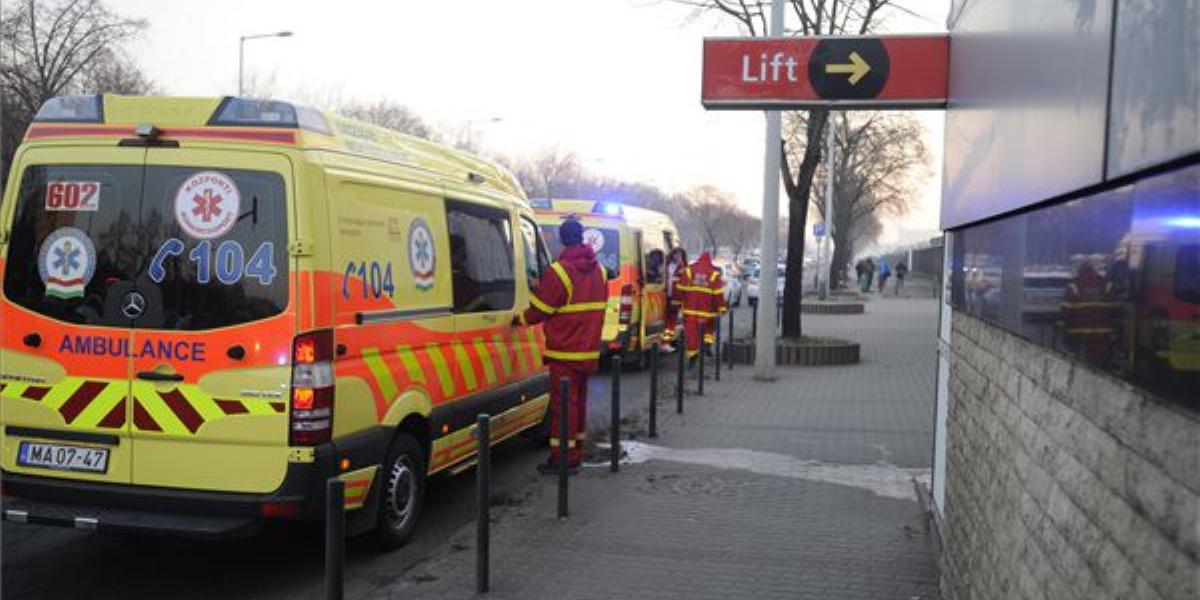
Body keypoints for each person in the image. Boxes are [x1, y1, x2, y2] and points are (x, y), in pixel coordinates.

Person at [515, 218, 608, 474]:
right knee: (578, 405)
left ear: (561, 238)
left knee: (563, 408)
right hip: (588, 351)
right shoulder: (599, 270)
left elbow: (540, 310)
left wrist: (518, 320)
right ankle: (575, 451)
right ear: (582, 238)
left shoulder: (559, 271)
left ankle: (561, 459)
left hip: (564, 352)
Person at [680, 251, 726, 360]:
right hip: (707, 310)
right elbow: (718, 294)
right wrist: (722, 308)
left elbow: (681, 289)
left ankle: (692, 354)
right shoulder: (713, 273)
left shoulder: (689, 271)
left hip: (690, 309)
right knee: (709, 328)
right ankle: (707, 345)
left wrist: (677, 302)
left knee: (691, 332)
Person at [663, 247, 688, 352]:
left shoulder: (683, 268)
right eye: (676, 254)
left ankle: (666, 342)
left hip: (675, 298)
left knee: (671, 322)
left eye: (679, 255)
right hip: (664, 296)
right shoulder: (667, 264)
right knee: (665, 320)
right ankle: (664, 342)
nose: (677, 257)